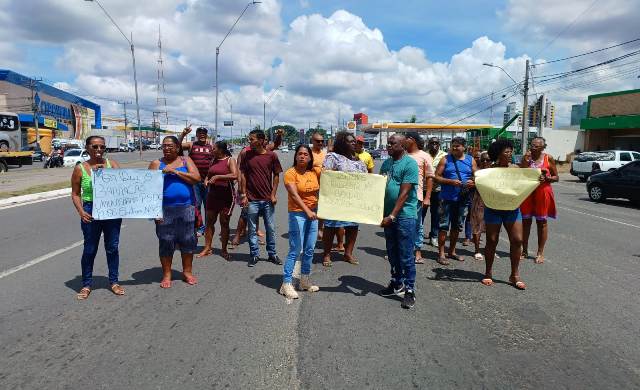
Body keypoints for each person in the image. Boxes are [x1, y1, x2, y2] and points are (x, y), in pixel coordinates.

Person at [71, 136, 123, 300]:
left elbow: (123, 186)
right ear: (87, 148)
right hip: (90, 210)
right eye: (95, 146)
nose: (99, 150)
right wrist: (81, 211)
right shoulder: (80, 168)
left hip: (111, 211)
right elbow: (75, 193)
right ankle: (86, 284)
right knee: (90, 249)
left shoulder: (112, 165)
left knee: (112, 247)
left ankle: (114, 281)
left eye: (102, 147)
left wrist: (106, 174)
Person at [148, 136, 202, 288]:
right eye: (164, 146)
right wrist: (154, 212)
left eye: (170, 146)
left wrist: (175, 172)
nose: (167, 148)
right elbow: (149, 190)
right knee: (165, 242)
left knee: (188, 241)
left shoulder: (186, 161)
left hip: (187, 208)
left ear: (178, 148)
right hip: (164, 210)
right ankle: (167, 275)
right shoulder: (156, 164)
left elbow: (196, 178)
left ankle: (187, 272)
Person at [379, 134, 419, 309]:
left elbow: (404, 194)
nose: (388, 146)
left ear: (402, 145)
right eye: (388, 143)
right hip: (388, 216)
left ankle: (410, 290)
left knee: (405, 255)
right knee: (392, 252)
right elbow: (379, 188)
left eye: (392, 143)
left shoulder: (410, 164)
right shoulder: (386, 163)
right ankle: (396, 283)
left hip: (404, 216)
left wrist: (393, 215)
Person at [482, 139, 526, 290]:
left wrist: (538, 178)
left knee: (517, 240)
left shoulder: (516, 168)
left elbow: (525, 184)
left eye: (511, 151)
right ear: (498, 153)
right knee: (492, 240)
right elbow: (481, 185)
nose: (510, 154)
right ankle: (488, 272)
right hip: (493, 209)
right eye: (506, 151)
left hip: (512, 209)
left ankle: (514, 275)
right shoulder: (489, 170)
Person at [280, 144, 321, 299]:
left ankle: (304, 280)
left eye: (306, 154)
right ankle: (286, 283)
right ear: (295, 156)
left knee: (310, 249)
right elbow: (295, 196)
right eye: (300, 154)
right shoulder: (290, 173)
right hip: (298, 214)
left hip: (313, 214)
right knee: (296, 249)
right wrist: (308, 211)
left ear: (310, 157)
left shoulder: (313, 173)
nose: (302, 156)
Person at [321, 131, 367, 267]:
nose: (354, 143)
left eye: (355, 141)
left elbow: (366, 180)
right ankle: (327, 254)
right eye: (350, 141)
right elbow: (325, 175)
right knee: (330, 227)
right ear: (342, 143)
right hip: (335, 200)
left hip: (353, 201)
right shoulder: (333, 157)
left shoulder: (359, 161)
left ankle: (348, 253)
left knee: (353, 227)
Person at [230, 129, 283, 248]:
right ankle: (238, 234)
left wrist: (279, 135)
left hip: (264, 193)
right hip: (247, 190)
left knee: (261, 216)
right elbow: (240, 170)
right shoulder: (245, 152)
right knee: (245, 213)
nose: (249, 141)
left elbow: (276, 144)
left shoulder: (267, 152)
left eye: (251, 139)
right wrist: (241, 189)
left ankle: (256, 234)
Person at [434, 136, 477, 265]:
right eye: (453, 145)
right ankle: (441, 253)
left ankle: (452, 251)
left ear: (464, 147)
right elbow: (436, 176)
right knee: (443, 226)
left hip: (463, 199)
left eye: (457, 145)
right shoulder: (445, 159)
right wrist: (450, 181)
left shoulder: (471, 160)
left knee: (457, 227)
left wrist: (473, 182)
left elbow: (478, 176)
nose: (454, 147)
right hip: (446, 199)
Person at [197, 141, 238, 261]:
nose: (211, 150)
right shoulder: (213, 160)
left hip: (226, 197)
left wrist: (219, 177)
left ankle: (224, 249)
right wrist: (206, 180)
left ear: (221, 150)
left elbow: (235, 175)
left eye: (214, 148)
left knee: (224, 223)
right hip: (212, 196)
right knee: (209, 222)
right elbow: (209, 175)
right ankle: (207, 247)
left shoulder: (230, 160)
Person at [519, 137, 558, 264]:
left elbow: (556, 177)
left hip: (542, 192)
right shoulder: (526, 158)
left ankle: (540, 253)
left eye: (536, 146)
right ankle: (524, 250)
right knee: (526, 221)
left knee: (541, 222)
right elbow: (520, 174)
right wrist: (525, 161)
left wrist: (547, 178)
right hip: (527, 192)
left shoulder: (548, 158)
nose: (533, 147)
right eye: (532, 145)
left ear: (543, 147)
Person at [404, 132, 434, 264]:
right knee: (401, 225)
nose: (404, 140)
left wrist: (427, 198)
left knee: (417, 225)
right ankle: (403, 251)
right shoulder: (402, 155)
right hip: (400, 197)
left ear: (414, 140)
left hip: (416, 197)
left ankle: (417, 251)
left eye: (407, 138)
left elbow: (430, 178)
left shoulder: (424, 156)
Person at [178, 126, 213, 236]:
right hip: (195, 182)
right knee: (196, 205)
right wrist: (183, 134)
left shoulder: (211, 146)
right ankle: (200, 227)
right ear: (197, 135)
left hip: (208, 181)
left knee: (208, 207)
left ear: (206, 135)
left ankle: (208, 228)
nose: (202, 134)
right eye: (200, 133)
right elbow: (176, 146)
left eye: (204, 133)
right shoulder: (191, 145)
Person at [425, 137, 447, 247]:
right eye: (432, 143)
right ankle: (417, 236)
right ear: (428, 144)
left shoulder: (444, 155)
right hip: (423, 189)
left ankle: (433, 236)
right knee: (421, 214)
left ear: (439, 144)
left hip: (438, 190)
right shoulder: (424, 155)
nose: (434, 145)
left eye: (436, 143)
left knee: (436, 214)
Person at [469, 151, 491, 260]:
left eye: (488, 160)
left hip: (492, 202)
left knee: (491, 227)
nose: (485, 162)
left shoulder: (495, 172)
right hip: (479, 201)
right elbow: (470, 183)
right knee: (477, 225)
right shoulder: (476, 172)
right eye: (483, 160)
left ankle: (490, 249)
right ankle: (477, 250)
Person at [310, 132, 328, 240]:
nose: (320, 143)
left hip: (323, 185)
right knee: (311, 207)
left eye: (322, 141)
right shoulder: (308, 153)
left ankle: (320, 228)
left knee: (322, 209)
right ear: (312, 141)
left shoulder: (325, 153)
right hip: (311, 186)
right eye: (318, 141)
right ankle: (312, 229)